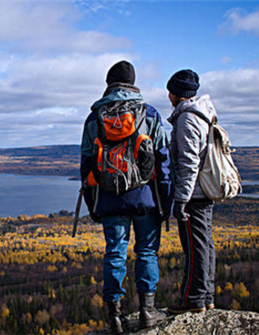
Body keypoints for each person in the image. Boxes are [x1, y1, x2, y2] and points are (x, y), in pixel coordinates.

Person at [80, 60, 173, 333]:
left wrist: (93, 205)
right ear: (133, 83)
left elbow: (86, 166)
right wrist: (165, 203)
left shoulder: (94, 118)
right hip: (145, 198)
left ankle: (115, 319)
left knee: (115, 254)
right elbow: (163, 163)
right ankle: (147, 312)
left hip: (109, 199)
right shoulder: (150, 114)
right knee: (146, 252)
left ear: (109, 83)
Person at [165, 69, 217, 314]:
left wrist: (181, 200)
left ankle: (193, 300)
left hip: (193, 195)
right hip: (203, 192)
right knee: (205, 245)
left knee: (195, 248)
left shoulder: (187, 119)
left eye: (170, 91)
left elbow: (188, 163)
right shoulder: (203, 114)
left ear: (178, 94)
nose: (168, 95)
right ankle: (206, 296)